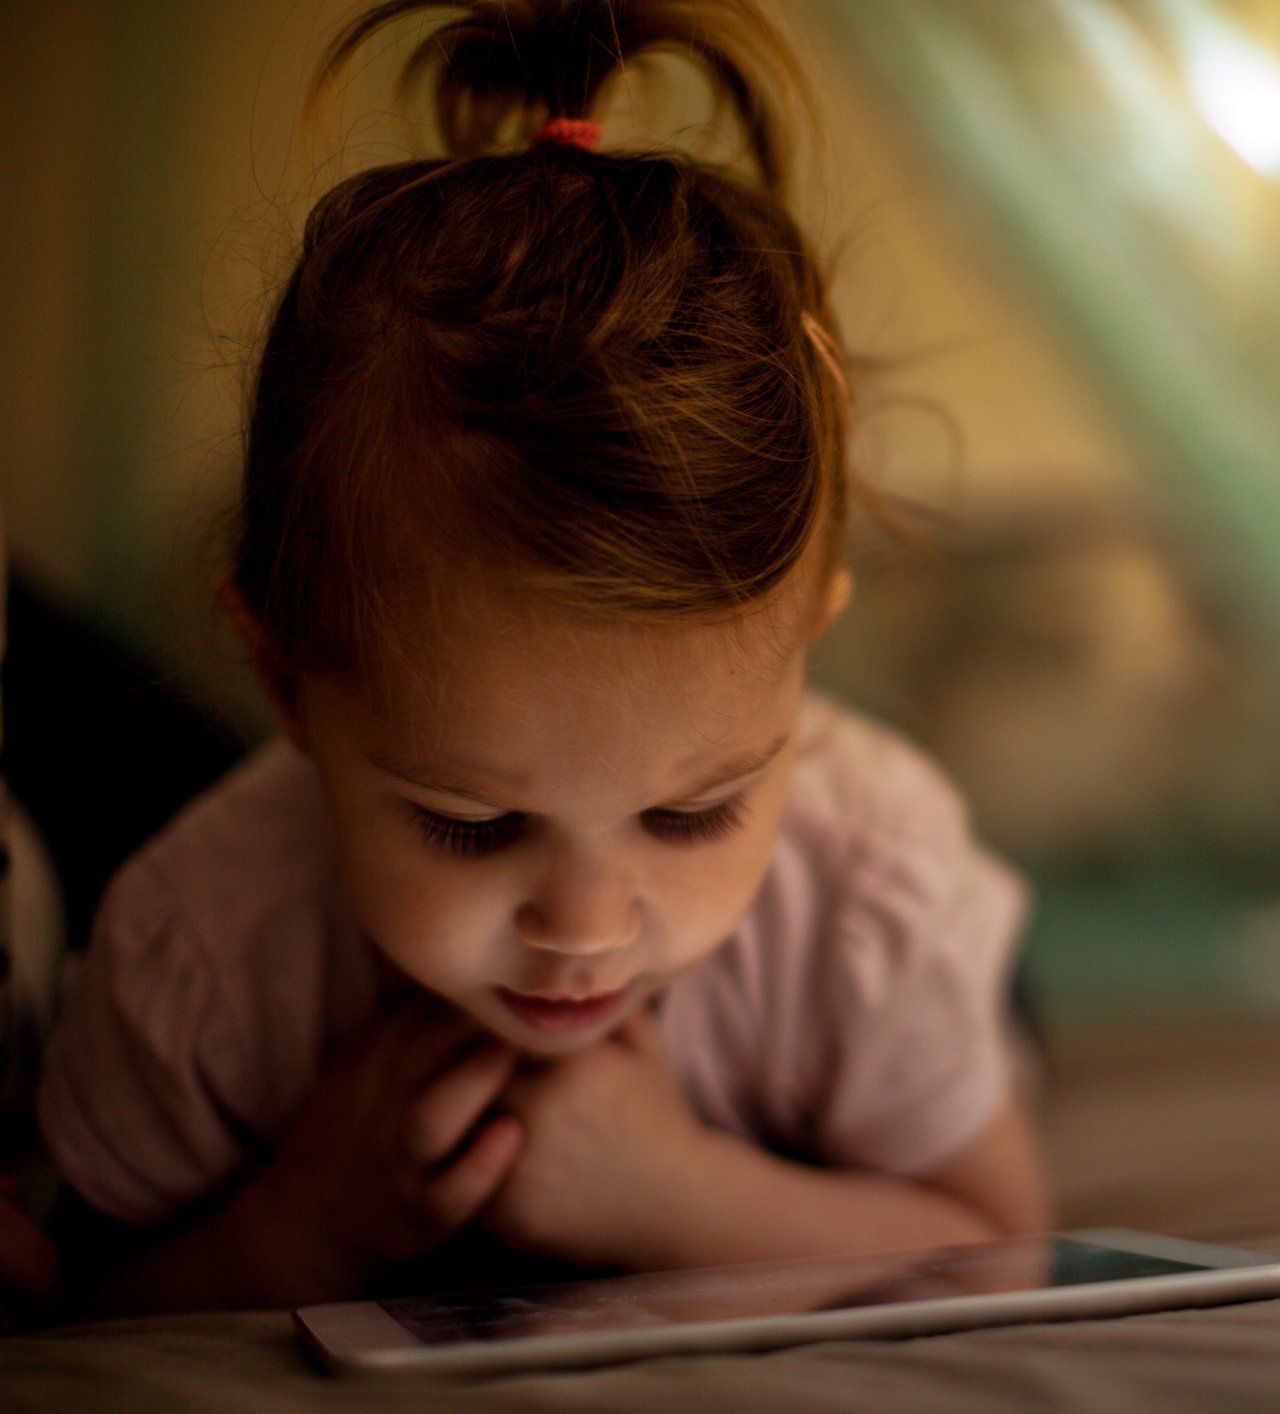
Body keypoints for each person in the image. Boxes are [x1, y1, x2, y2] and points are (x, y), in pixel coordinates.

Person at [34, 0, 1050, 1317]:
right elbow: (79, 1306)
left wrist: (675, 1193)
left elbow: (998, 1240)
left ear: (807, 644)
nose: (587, 928)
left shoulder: (868, 891)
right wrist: (297, 1226)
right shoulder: (202, 953)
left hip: (893, 996)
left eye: (692, 810)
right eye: (473, 825)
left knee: (979, 1014)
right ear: (285, 684)